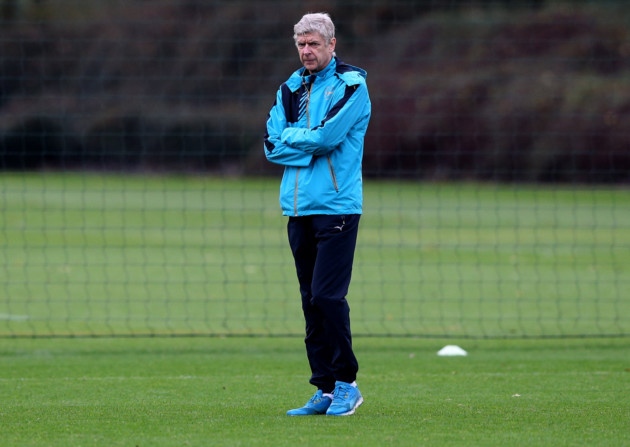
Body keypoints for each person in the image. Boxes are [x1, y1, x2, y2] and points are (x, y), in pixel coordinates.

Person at [263, 12, 371, 417]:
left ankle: (347, 384)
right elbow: (271, 145)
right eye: (301, 44)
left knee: (328, 296)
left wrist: (298, 138)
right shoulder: (290, 88)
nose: (306, 51)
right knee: (310, 301)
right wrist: (303, 139)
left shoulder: (352, 86)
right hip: (297, 208)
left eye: (314, 44)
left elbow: (328, 138)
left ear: (331, 45)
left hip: (338, 207)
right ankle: (324, 388)